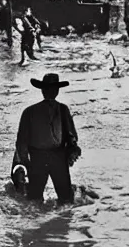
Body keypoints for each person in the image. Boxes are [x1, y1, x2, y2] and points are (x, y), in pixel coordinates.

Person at [14, 73, 80, 204]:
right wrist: (26, 162)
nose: (51, 92)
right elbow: (21, 140)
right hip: (43, 158)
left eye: (53, 89)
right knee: (37, 198)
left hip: (53, 157)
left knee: (62, 198)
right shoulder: (30, 112)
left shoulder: (61, 109)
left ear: (57, 91)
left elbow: (71, 135)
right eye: (49, 89)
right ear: (43, 91)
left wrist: (72, 151)